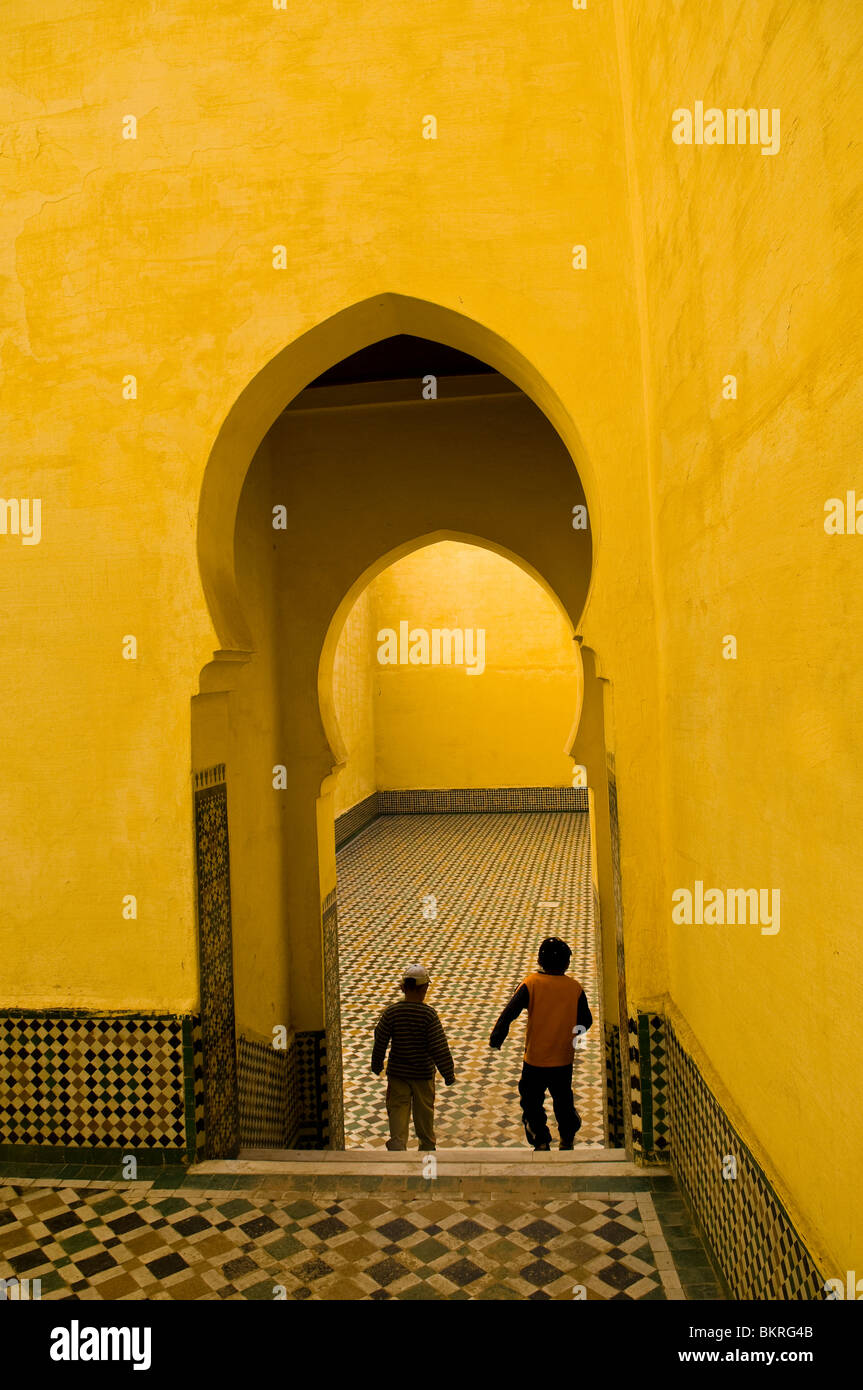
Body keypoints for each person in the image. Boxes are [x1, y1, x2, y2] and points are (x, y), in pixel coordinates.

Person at [489, 936, 592, 1151]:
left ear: (540, 961)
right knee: (563, 1100)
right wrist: (572, 1036)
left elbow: (510, 1012)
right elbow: (586, 1020)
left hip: (535, 1059)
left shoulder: (531, 983)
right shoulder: (574, 988)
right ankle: (567, 1137)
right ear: (567, 963)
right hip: (563, 1059)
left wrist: (497, 1037)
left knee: (531, 1102)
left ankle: (541, 1140)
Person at [371, 963, 455, 1151]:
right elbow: (439, 1047)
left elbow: (380, 1038)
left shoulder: (392, 1012)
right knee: (424, 1111)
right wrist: (448, 1073)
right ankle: (426, 1145)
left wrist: (376, 1064)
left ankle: (398, 1141)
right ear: (425, 989)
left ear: (403, 988)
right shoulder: (428, 1015)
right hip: (422, 1074)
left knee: (398, 1108)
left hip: (398, 1073)